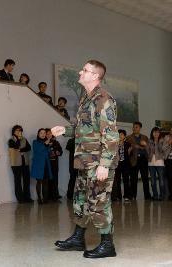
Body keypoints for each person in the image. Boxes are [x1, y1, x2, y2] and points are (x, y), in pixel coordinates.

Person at [52, 60, 118, 258]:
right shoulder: (86, 98)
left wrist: (104, 165)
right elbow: (85, 128)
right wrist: (66, 130)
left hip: (98, 162)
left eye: (85, 70)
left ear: (95, 76)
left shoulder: (104, 99)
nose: (80, 71)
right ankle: (78, 238)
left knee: (99, 202)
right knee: (80, 200)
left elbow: (111, 134)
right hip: (84, 161)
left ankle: (108, 245)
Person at [126, 122, 151, 200]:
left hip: (143, 159)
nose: (134, 128)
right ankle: (133, 196)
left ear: (140, 128)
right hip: (134, 159)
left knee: (145, 179)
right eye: (133, 127)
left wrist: (143, 146)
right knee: (133, 179)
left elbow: (149, 148)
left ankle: (147, 196)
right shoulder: (128, 137)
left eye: (136, 127)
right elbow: (127, 148)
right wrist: (134, 146)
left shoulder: (145, 137)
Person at [8, 125, 32, 203]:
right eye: (17, 130)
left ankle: (27, 197)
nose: (19, 132)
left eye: (20, 130)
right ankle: (20, 199)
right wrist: (19, 140)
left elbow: (29, 148)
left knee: (27, 181)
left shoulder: (24, 139)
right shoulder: (11, 140)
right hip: (15, 164)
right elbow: (16, 146)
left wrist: (20, 149)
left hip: (25, 163)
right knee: (18, 181)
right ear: (13, 132)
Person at [146, 127, 169, 200]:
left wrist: (157, 142)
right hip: (151, 163)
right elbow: (148, 151)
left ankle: (162, 196)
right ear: (152, 133)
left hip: (160, 163)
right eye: (154, 132)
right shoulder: (149, 141)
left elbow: (162, 149)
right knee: (153, 181)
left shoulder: (162, 140)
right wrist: (146, 145)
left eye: (157, 132)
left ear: (159, 133)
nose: (156, 134)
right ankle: (155, 196)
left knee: (161, 180)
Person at [31, 128, 52, 204]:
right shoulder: (35, 142)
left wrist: (49, 148)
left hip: (46, 164)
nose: (43, 134)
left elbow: (48, 152)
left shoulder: (47, 142)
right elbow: (38, 150)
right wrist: (45, 144)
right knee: (39, 181)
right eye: (41, 133)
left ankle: (45, 198)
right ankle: (39, 198)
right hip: (38, 165)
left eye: (44, 133)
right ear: (38, 134)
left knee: (46, 182)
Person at [111, 130, 132, 202]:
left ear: (124, 136)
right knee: (118, 181)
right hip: (117, 164)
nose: (120, 136)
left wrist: (129, 152)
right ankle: (118, 196)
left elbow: (130, 155)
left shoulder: (128, 144)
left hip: (125, 164)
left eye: (122, 134)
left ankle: (126, 196)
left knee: (126, 180)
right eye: (119, 134)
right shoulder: (115, 144)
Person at [46, 128, 62, 201]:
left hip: (55, 164)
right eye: (47, 133)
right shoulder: (44, 142)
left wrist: (58, 152)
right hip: (47, 164)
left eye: (50, 133)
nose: (49, 135)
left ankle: (55, 196)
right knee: (48, 180)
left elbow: (60, 151)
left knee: (55, 180)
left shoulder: (56, 142)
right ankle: (48, 196)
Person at [163, 129, 172, 200]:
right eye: (171, 130)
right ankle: (170, 194)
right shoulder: (166, 137)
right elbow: (163, 148)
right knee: (170, 177)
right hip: (168, 160)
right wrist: (169, 143)